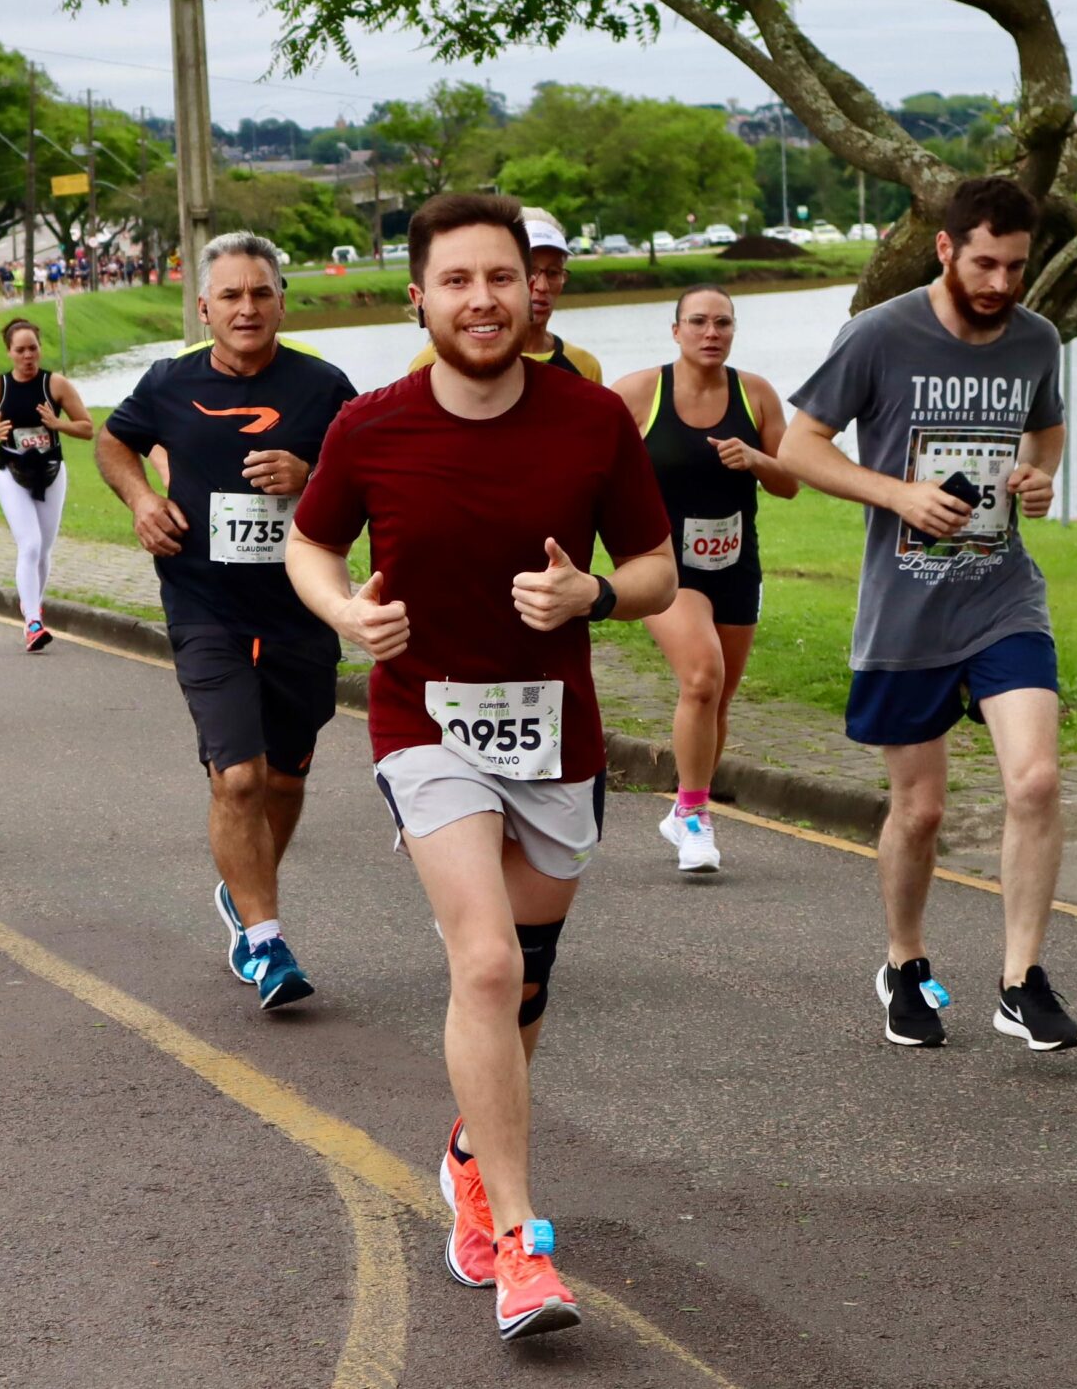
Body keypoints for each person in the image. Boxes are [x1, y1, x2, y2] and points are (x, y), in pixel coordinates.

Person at [285, 192, 677, 1342]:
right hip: (427, 723)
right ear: (419, 294)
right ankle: (519, 1243)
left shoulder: (593, 419)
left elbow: (655, 567)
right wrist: (345, 611)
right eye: (455, 279)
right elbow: (312, 541)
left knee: (527, 985)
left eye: (499, 277)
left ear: (531, 287)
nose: (481, 299)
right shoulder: (371, 426)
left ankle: (467, 1151)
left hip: (556, 732)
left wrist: (593, 593)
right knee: (488, 964)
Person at [779, 177, 1077, 1054]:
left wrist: (1039, 474)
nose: (1000, 282)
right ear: (945, 249)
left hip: (1002, 596)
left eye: (1016, 266)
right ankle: (905, 962)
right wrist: (898, 496)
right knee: (920, 812)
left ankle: (1021, 981)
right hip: (905, 611)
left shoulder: (1037, 340)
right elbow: (801, 445)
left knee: (1035, 781)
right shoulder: (879, 334)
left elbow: (1047, 427)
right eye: (984, 262)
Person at [97, 231, 358, 1009]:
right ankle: (265, 939)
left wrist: (311, 476)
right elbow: (115, 443)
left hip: (300, 609)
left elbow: (369, 479)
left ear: (282, 300)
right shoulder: (169, 383)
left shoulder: (325, 386)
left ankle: (244, 895)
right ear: (204, 306)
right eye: (231, 295)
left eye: (261, 293)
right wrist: (143, 501)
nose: (247, 308)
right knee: (236, 775)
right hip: (204, 605)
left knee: (283, 776)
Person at [607, 289, 798, 875]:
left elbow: (790, 480)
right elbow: (591, 464)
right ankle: (693, 815)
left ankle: (688, 807)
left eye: (722, 322)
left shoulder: (756, 393)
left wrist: (756, 460)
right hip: (664, 564)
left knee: (717, 697)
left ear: (734, 330)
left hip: (735, 563)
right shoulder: (638, 392)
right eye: (698, 322)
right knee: (700, 677)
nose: (710, 332)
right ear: (676, 331)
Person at [0, 317, 93, 652]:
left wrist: (57, 424)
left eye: (33, 349)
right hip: (12, 472)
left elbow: (87, 427)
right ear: (9, 352)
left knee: (45, 548)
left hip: (51, 471)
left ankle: (32, 608)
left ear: (40, 348)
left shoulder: (56, 385)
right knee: (31, 543)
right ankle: (34, 622)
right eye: (20, 350)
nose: (28, 356)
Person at [406, 210, 603, 384]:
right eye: (530, 270)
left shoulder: (584, 365)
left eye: (553, 272)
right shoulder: (432, 364)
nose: (542, 286)